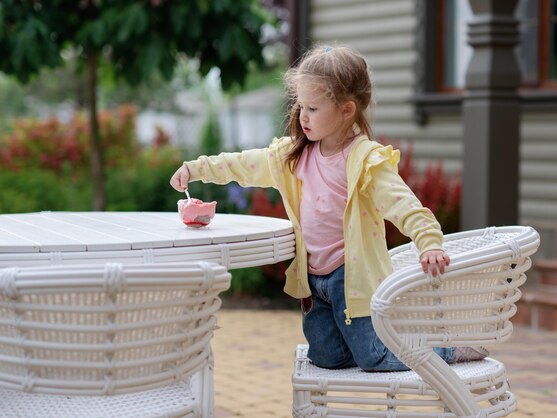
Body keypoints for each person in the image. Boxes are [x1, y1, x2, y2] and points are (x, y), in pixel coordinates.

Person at [170, 44, 487, 371]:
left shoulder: (364, 161)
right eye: (300, 106)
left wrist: (429, 242)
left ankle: (447, 351)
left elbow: (404, 205)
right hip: (312, 279)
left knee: (373, 357)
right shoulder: (295, 155)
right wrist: (197, 168)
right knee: (325, 357)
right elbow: (245, 164)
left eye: (313, 108)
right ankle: (379, 341)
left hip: (350, 279)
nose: (302, 116)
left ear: (347, 110)